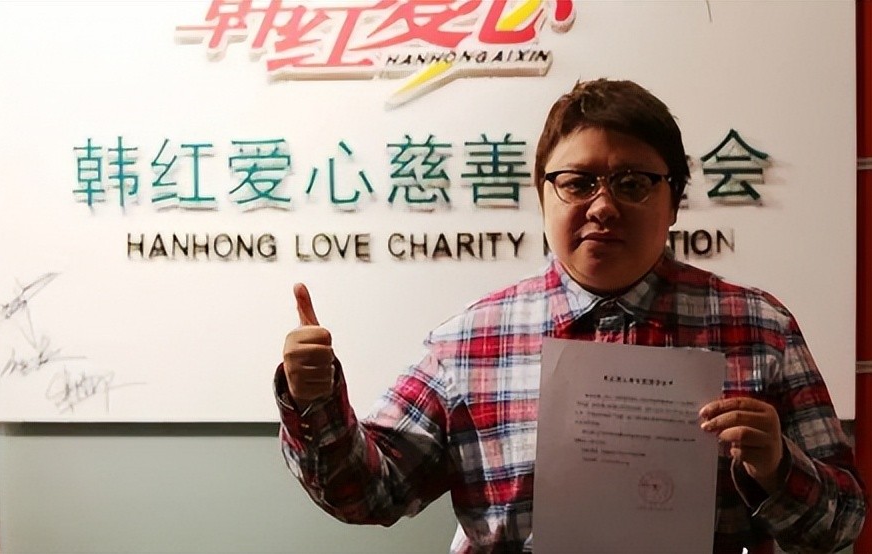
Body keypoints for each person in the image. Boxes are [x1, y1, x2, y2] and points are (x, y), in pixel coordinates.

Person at [275, 79, 866, 553]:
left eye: (632, 183)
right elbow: (369, 491)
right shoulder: (471, 341)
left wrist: (776, 467)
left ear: (675, 201)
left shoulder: (759, 329)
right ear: (542, 195)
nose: (603, 206)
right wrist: (313, 399)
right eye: (578, 183)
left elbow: (842, 524)